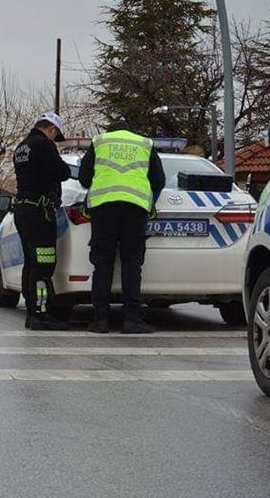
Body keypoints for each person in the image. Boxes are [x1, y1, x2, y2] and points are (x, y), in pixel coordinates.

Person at [78, 125, 165, 334]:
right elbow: (159, 181)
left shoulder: (99, 142)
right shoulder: (144, 144)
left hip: (103, 208)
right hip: (135, 209)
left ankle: (100, 320)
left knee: (103, 263)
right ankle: (131, 320)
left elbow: (83, 178)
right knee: (132, 264)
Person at [12, 113, 72, 330]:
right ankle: (41, 313)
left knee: (31, 263)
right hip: (40, 213)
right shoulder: (44, 145)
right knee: (44, 265)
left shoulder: (21, 147)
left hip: (24, 210)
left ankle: (31, 311)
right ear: (51, 130)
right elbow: (62, 172)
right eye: (54, 135)